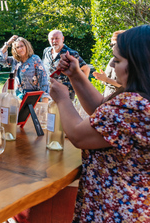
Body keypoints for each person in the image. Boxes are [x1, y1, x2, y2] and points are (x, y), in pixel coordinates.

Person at [49, 25, 150, 222]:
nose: (112, 63)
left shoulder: (133, 107)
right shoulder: (138, 99)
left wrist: (62, 99)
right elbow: (101, 110)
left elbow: (78, 135)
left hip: (115, 210)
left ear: (139, 64)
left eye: (118, 59)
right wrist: (75, 74)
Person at [0, 35, 49, 102]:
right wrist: (8, 44)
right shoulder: (15, 60)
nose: (20, 49)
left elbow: (43, 78)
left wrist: (44, 98)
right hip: (17, 96)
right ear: (15, 50)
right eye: (17, 47)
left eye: (22, 46)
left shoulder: (35, 59)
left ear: (26, 46)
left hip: (32, 96)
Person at [43, 29, 89, 100]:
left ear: (63, 39)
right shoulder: (46, 51)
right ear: (49, 40)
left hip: (66, 94)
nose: (54, 41)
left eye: (57, 38)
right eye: (52, 39)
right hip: (49, 92)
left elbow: (86, 69)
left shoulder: (71, 53)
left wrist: (81, 88)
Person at [92, 30, 125, 97]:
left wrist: (106, 79)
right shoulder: (112, 60)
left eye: (114, 44)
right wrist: (103, 78)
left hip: (120, 100)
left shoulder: (129, 61)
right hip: (108, 97)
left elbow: (123, 84)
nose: (112, 47)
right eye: (111, 45)